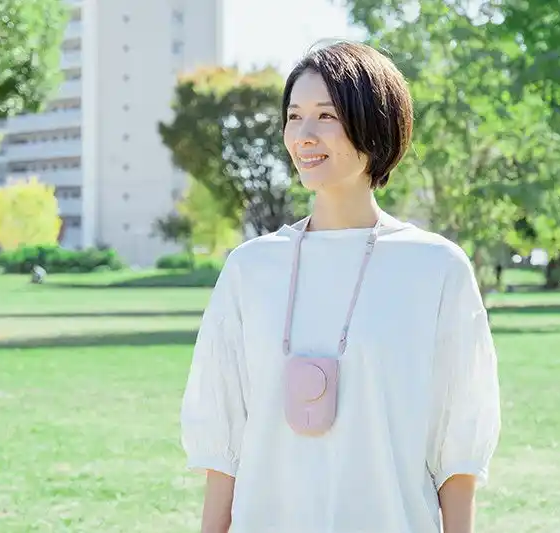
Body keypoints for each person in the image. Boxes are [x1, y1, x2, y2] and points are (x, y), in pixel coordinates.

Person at [180, 41, 501, 533]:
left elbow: (458, 447)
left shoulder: (436, 267)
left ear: (375, 123)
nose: (303, 135)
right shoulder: (250, 268)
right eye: (294, 116)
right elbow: (224, 442)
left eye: (325, 115)